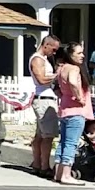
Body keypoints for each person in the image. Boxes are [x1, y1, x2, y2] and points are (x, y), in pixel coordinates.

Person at [52, 41, 93, 185]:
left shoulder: (61, 68)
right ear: (70, 55)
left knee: (62, 142)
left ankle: (58, 173)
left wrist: (66, 96)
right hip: (76, 110)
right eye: (79, 53)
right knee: (71, 143)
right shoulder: (74, 69)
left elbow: (56, 88)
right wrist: (79, 97)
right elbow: (73, 82)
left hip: (64, 109)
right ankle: (66, 175)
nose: (82, 55)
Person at [29, 35, 60, 180]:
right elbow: (41, 79)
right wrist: (57, 75)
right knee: (48, 136)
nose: (54, 53)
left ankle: (37, 163)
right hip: (44, 99)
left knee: (40, 135)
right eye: (53, 49)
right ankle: (44, 166)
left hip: (46, 97)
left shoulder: (44, 60)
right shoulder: (37, 59)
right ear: (46, 45)